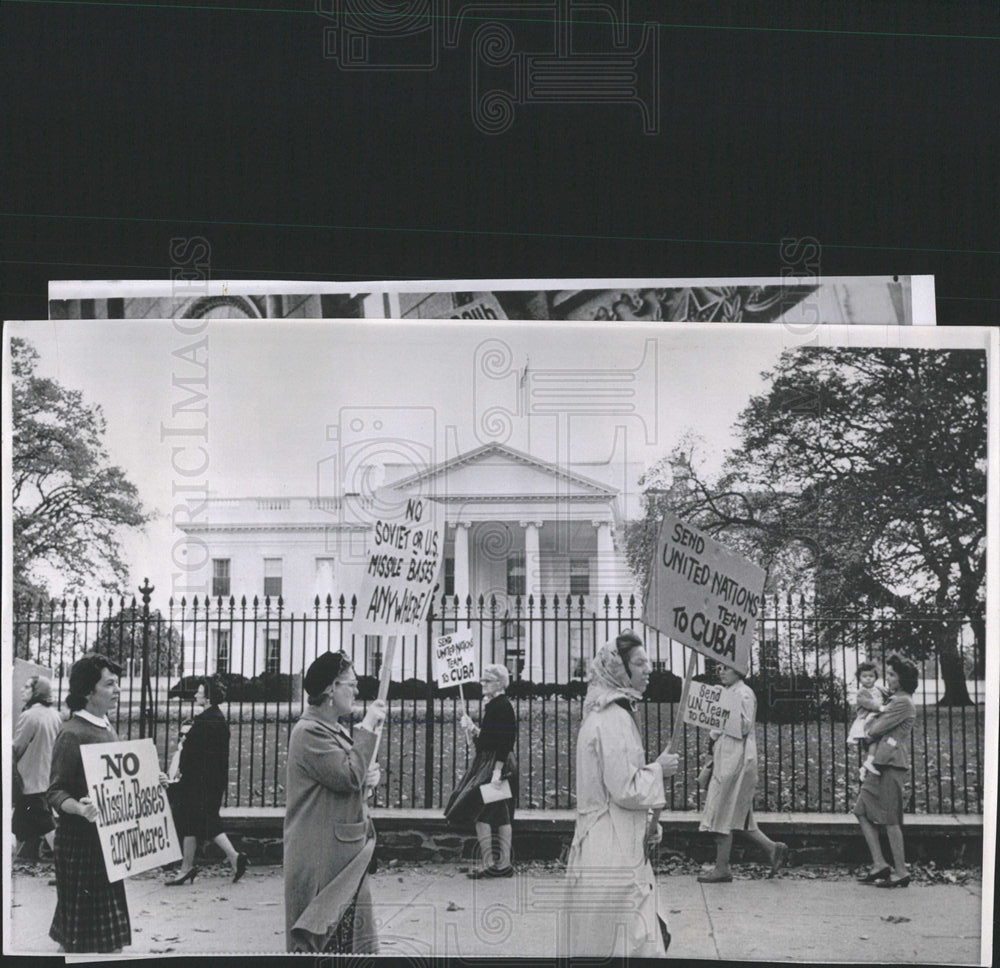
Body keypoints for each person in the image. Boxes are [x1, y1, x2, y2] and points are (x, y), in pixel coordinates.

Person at [564, 631, 680, 959]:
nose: (649, 669)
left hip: (609, 842)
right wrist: (659, 769)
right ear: (619, 670)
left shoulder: (608, 713)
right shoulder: (612, 718)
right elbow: (624, 789)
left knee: (626, 939)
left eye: (648, 663)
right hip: (611, 848)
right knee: (629, 942)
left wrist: (648, 823)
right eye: (639, 663)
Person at [284, 651, 386, 953]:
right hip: (322, 859)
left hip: (341, 855)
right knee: (328, 946)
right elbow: (348, 776)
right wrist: (367, 728)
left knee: (351, 946)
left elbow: (348, 783)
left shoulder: (333, 729)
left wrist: (368, 780)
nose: (356, 690)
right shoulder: (309, 732)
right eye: (350, 684)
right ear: (330, 690)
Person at [47, 654, 133, 953]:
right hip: (80, 845)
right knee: (76, 939)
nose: (117, 690)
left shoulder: (107, 728)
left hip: (106, 846)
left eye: (117, 683)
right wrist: (81, 809)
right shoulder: (72, 734)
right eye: (109, 684)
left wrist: (150, 782)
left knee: (107, 939)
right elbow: (55, 792)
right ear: (87, 692)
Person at [697, 664, 788, 883]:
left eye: (726, 668)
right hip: (725, 753)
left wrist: (723, 712)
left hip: (736, 756)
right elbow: (717, 727)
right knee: (739, 814)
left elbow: (744, 726)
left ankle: (722, 867)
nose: (721, 671)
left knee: (722, 809)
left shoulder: (744, 694)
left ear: (739, 671)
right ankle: (772, 848)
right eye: (719, 667)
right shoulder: (727, 692)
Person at [165, 677, 247, 885]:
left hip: (197, 782)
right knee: (193, 822)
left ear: (208, 696)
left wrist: (185, 743)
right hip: (213, 781)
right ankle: (186, 868)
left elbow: (191, 754)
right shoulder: (218, 719)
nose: (195, 695)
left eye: (199, 692)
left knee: (205, 823)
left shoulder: (204, 721)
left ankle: (233, 856)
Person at [444, 663, 519, 878]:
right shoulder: (496, 705)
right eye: (482, 680)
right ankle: (502, 864)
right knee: (499, 813)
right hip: (493, 763)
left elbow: (505, 741)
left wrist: (497, 772)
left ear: (499, 683)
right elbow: (488, 738)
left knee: (482, 812)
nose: (482, 684)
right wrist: (473, 729)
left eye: (486, 680)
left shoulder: (501, 706)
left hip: (495, 765)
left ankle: (490, 864)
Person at [853, 655, 919, 888]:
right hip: (880, 762)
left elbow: (874, 729)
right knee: (861, 809)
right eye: (888, 674)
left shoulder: (902, 702)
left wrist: (870, 726)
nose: (888, 678)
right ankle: (879, 863)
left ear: (903, 678)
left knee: (890, 818)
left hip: (891, 763)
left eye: (892, 674)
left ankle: (901, 871)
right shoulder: (893, 700)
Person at [12, 676, 62, 862]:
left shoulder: (29, 716)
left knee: (44, 823)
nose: (22, 690)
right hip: (47, 775)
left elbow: (18, 748)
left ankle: (64, 858)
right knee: (22, 821)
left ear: (37, 692)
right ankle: (26, 856)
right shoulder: (55, 715)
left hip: (30, 778)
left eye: (27, 687)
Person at [847, 661, 890, 777]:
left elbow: (888, 694)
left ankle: (865, 769)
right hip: (867, 719)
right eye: (864, 676)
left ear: (876, 677)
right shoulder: (861, 692)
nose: (868, 679)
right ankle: (869, 762)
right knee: (873, 739)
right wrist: (880, 708)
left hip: (877, 717)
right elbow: (868, 703)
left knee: (879, 741)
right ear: (859, 678)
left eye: (871, 676)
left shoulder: (879, 688)